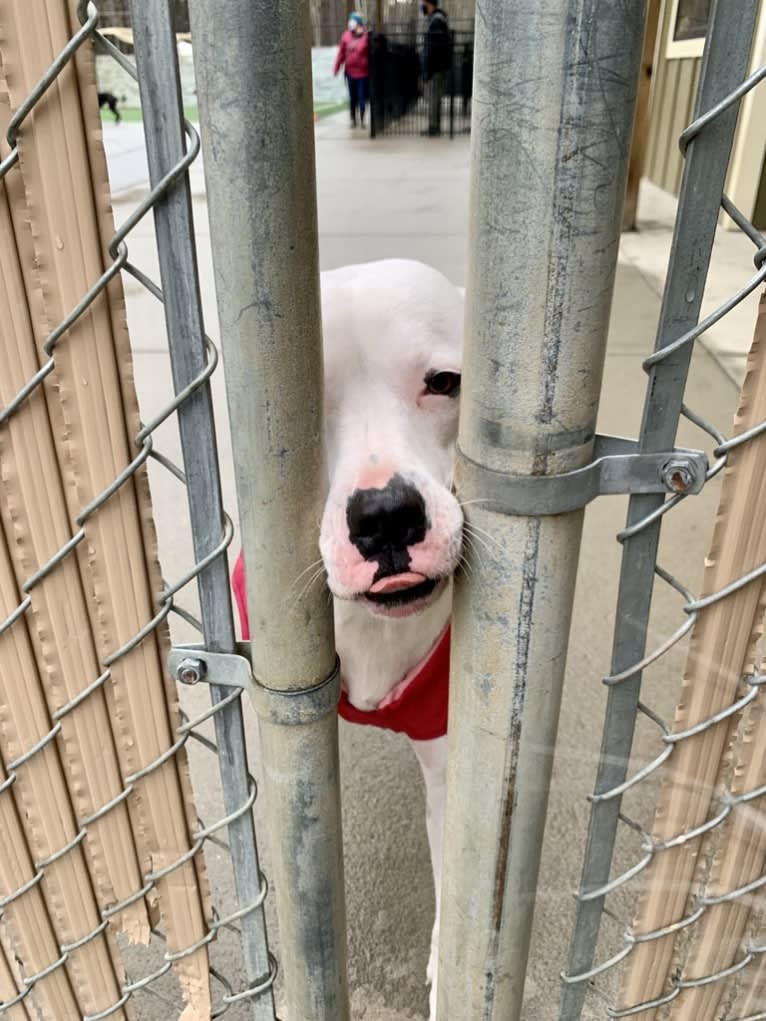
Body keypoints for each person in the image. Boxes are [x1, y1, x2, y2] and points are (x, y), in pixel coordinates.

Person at [420, 0, 452, 136]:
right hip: (438, 67)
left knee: (433, 98)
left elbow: (434, 49)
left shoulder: (436, 21)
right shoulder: (437, 20)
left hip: (436, 68)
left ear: (429, 4)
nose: (422, 6)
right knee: (435, 98)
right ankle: (435, 126)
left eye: (423, 3)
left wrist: (428, 69)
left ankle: (434, 127)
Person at [333, 12, 370, 128]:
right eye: (350, 20)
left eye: (352, 20)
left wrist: (362, 35)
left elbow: (369, 52)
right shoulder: (346, 35)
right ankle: (353, 120)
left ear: (358, 22)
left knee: (362, 98)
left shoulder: (366, 36)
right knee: (352, 97)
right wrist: (337, 67)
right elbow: (341, 54)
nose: (350, 22)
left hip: (363, 74)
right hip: (350, 73)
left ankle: (363, 120)